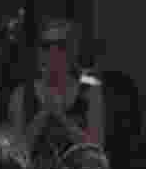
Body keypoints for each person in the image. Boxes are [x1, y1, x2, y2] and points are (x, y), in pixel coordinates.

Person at [8, 19, 105, 154]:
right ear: (39, 52)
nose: (53, 53)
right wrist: (43, 114)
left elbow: (96, 151)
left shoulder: (90, 92)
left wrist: (62, 118)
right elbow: (16, 153)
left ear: (73, 50)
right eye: (46, 46)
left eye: (61, 46)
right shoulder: (22, 94)